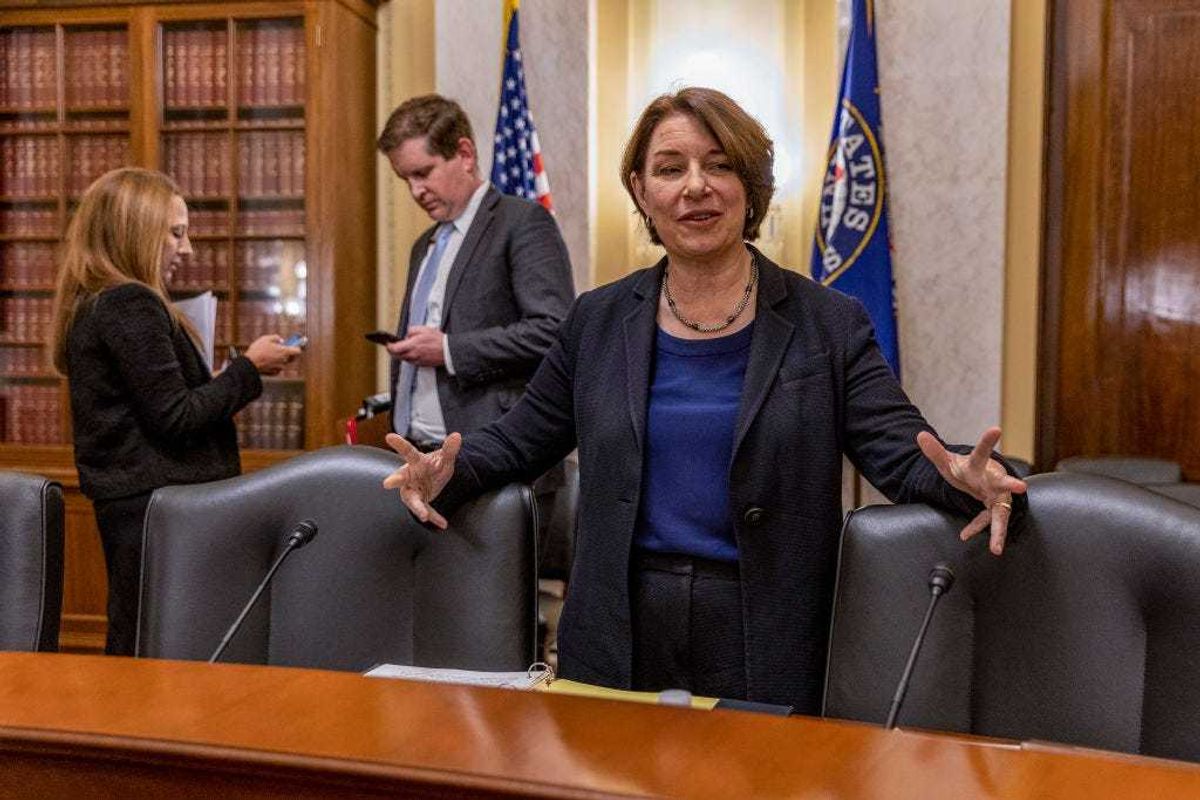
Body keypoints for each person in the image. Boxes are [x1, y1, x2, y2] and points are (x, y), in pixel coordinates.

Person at [381, 87, 1027, 714]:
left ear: (751, 187)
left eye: (720, 165)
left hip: (769, 631)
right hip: (618, 628)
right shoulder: (596, 321)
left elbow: (905, 453)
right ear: (641, 190)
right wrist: (447, 468)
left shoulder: (828, 324)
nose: (696, 185)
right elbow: (520, 439)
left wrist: (975, 477)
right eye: (670, 168)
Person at [50, 167, 300, 656]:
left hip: (139, 505)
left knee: (142, 635)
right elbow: (175, 418)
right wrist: (249, 369)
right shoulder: (130, 303)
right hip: (156, 506)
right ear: (136, 230)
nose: (187, 250)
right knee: (154, 645)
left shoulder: (99, 302)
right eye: (177, 232)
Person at [376, 94, 575, 449]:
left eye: (423, 173)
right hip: (417, 450)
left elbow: (552, 330)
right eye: (405, 179)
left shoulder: (521, 222)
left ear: (465, 154)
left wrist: (449, 349)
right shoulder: (424, 244)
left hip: (494, 451)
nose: (415, 191)